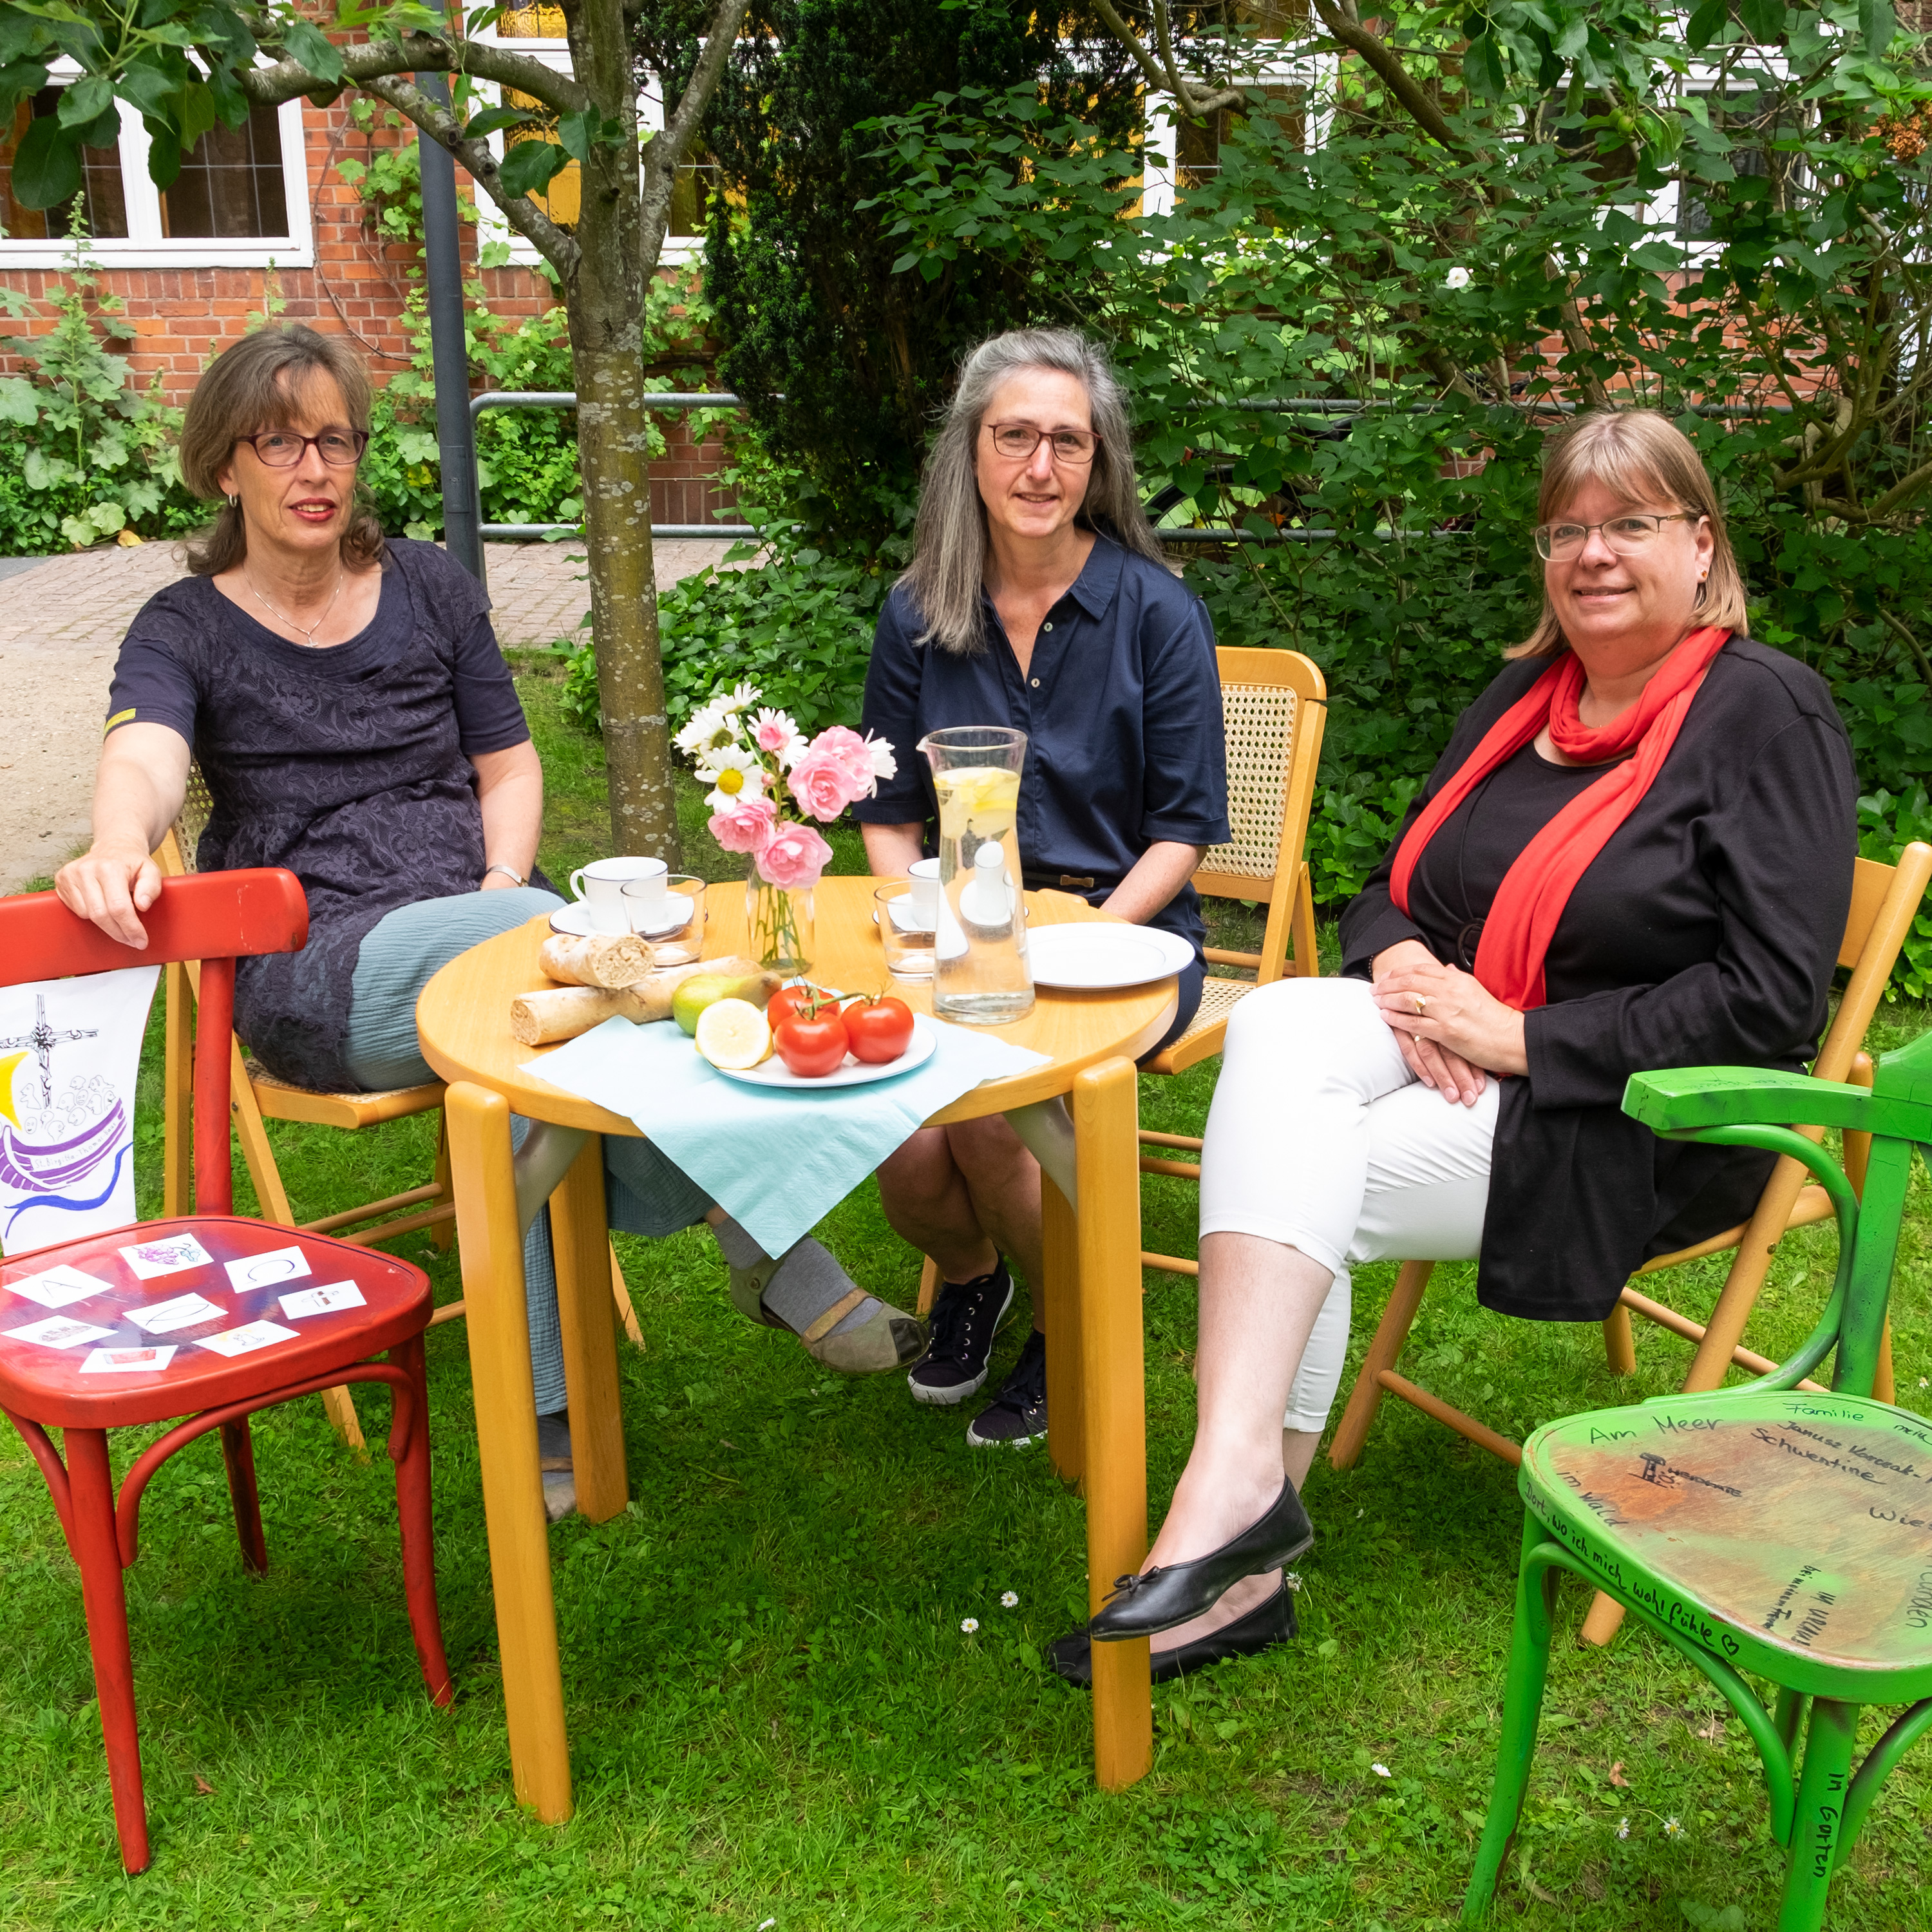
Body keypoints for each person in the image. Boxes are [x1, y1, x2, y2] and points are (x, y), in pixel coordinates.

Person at [55, 324, 921, 1518]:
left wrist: (502, 880)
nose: (315, 470)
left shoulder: (427, 587)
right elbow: (145, 752)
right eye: (280, 443)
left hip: (488, 924)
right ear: (224, 466)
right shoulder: (186, 624)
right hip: (321, 963)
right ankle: (771, 1254)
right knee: (613, 961)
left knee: (517, 1067)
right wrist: (113, 842)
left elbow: (507, 768)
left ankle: (555, 1413)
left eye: (335, 440)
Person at [1060, 407, 1857, 1685]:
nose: (1592, 555)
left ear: (1701, 547)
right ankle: (1241, 1499)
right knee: (1273, 1026)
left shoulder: (1767, 713)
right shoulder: (1523, 696)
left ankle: (1234, 1538)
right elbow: (1397, 885)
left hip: (1641, 1117)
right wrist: (1406, 964)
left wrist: (1526, 1036)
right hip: (1456, 1041)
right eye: (1568, 530)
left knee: (1296, 1170)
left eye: (1631, 525)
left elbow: (1769, 1005)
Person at [855, 329, 1229, 1447]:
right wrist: (918, 921)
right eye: (1014, 436)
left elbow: (1182, 833)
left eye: (1067, 441)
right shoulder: (919, 609)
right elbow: (884, 812)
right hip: (959, 926)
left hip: (1129, 929)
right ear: (971, 454)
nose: (1039, 467)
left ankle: (1073, 1325)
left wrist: (1071, 948)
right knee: (900, 1138)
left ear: (1098, 461)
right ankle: (975, 1276)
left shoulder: (1157, 613)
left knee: (986, 1119)